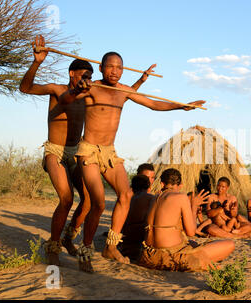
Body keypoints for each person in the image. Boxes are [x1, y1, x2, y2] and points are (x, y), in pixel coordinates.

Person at [60, 51, 206, 273]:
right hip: (88, 151)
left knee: (126, 195)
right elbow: (66, 100)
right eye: (110, 67)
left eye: (119, 68)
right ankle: (86, 250)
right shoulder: (93, 87)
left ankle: (111, 246)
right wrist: (76, 90)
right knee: (98, 202)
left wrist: (181, 106)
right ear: (101, 68)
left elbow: (153, 104)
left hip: (109, 152)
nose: (115, 71)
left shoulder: (123, 91)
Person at [19, 35, 94, 265]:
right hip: (55, 151)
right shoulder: (56, 89)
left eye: (90, 77)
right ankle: (53, 247)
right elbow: (25, 88)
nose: (87, 80)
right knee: (66, 199)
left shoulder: (90, 95)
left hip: (76, 152)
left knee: (89, 201)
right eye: (83, 76)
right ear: (72, 73)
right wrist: (37, 62)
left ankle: (69, 237)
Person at [138, 168, 235, 272]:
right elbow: (191, 232)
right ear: (180, 185)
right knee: (229, 244)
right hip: (170, 257)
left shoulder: (154, 198)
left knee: (192, 243)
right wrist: (194, 206)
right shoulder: (180, 197)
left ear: (162, 184)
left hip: (148, 255)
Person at [120, 174, 155, 261]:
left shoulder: (127, 198)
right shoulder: (151, 198)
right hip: (139, 238)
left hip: (125, 238)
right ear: (148, 186)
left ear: (132, 187)